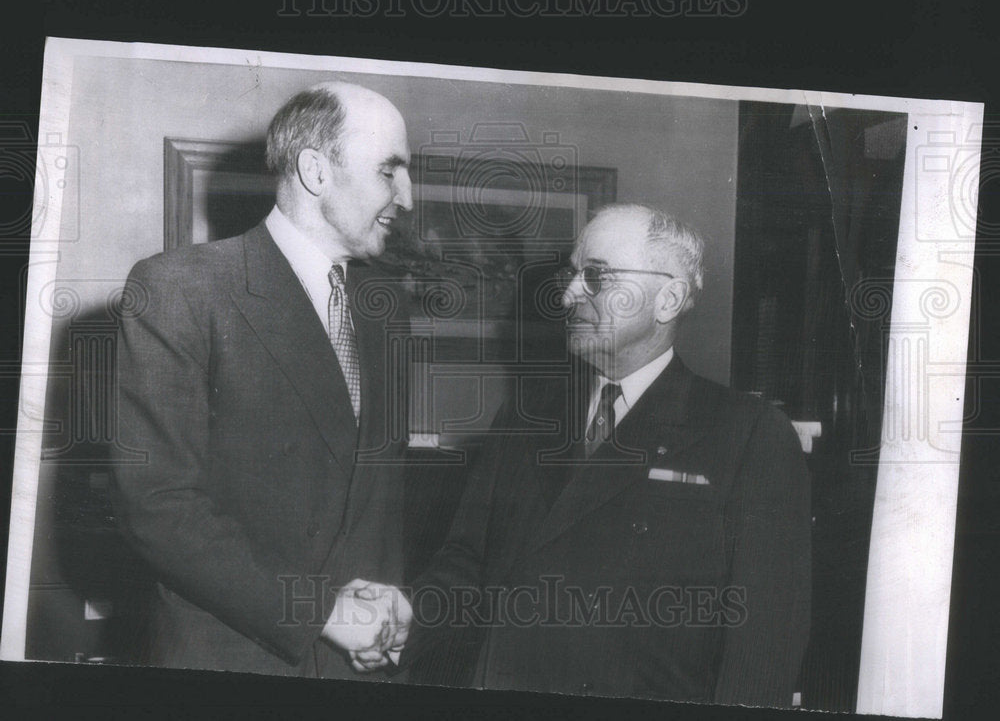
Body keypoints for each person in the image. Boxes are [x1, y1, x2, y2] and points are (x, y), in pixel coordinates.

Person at [397, 203, 811, 706]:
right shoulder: (528, 415)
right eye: (572, 274)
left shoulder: (748, 434)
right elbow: (466, 558)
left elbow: (763, 645)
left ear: (668, 299)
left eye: (596, 276)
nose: (570, 293)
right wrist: (407, 614)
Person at [112, 82, 413, 678]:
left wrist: (390, 603)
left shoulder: (386, 306)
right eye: (390, 171)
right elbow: (159, 507)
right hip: (235, 659)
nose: (407, 197)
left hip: (363, 664)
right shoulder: (180, 288)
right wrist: (321, 612)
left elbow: (377, 493)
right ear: (315, 171)